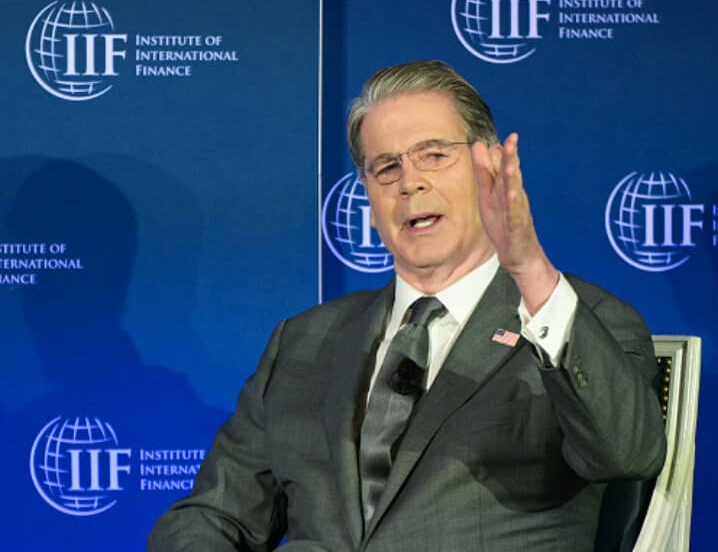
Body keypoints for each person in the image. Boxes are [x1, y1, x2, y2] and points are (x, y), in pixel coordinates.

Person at [148, 59, 666, 552]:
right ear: (369, 201)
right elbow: (215, 515)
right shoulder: (304, 341)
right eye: (386, 167)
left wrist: (530, 269)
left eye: (434, 155)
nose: (409, 181)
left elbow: (627, 452)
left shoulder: (581, 320)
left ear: (489, 167)